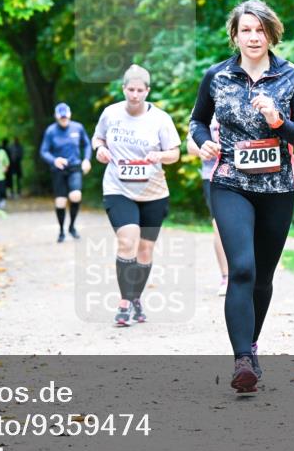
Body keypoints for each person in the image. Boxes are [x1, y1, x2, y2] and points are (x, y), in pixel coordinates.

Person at [189, 0, 294, 393]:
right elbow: (196, 120)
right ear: (235, 35)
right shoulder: (217, 76)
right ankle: (242, 358)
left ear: (271, 33)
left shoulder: (292, 77)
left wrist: (279, 121)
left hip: (278, 187)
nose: (254, 37)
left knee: (262, 277)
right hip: (230, 182)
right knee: (241, 268)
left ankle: (252, 345)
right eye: (246, 30)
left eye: (260, 30)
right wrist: (204, 141)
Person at [92, 64, 181, 327]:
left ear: (148, 91)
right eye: (130, 89)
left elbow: (175, 154)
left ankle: (135, 298)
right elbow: (98, 140)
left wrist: (160, 156)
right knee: (127, 240)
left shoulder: (160, 119)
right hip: (118, 187)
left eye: (140, 90)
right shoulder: (111, 114)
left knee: (145, 249)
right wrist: (100, 151)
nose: (134, 95)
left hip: (153, 191)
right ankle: (123, 302)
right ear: (123, 89)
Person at [186, 117, 229, 296]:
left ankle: (248, 274)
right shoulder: (204, 107)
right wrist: (209, 149)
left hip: (247, 174)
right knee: (219, 225)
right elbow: (190, 147)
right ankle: (226, 277)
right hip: (213, 175)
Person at [40, 103, 91, 242]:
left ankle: (72, 227)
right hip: (58, 169)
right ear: (56, 116)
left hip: (74, 166)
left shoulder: (78, 127)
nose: (63, 119)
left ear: (69, 114)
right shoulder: (50, 131)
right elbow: (43, 151)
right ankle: (62, 231)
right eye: (61, 117)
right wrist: (54, 160)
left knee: (75, 196)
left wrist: (86, 159)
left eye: (65, 116)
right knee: (60, 202)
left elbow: (86, 144)